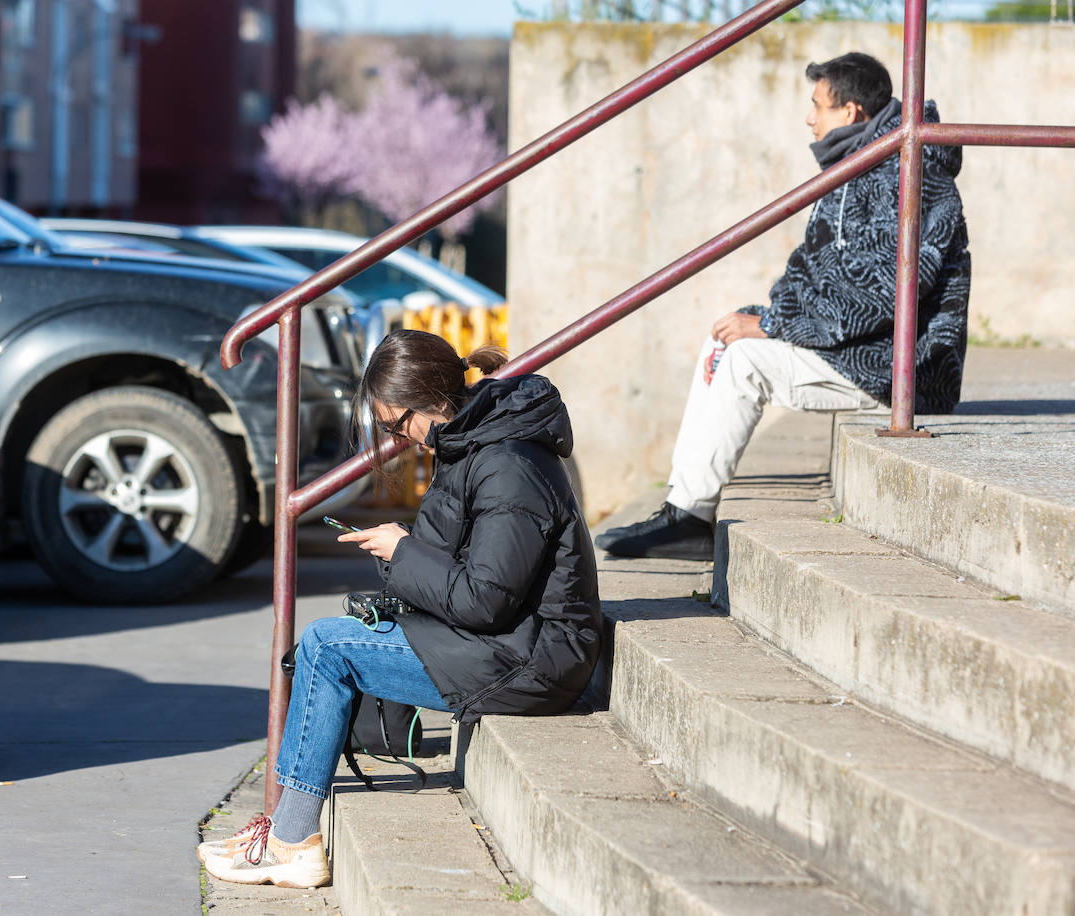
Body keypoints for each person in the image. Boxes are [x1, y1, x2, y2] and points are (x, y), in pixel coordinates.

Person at [199, 329, 602, 889]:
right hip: (509, 642)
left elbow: (484, 599)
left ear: (435, 397)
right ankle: (286, 827)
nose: (399, 438)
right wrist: (399, 549)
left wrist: (403, 551)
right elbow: (469, 569)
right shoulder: (470, 445)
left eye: (396, 423)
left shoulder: (508, 464)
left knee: (326, 647)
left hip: (533, 660)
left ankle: (291, 839)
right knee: (332, 639)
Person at [596, 51, 970, 561]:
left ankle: (689, 516)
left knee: (745, 359)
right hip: (862, 349)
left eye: (818, 105)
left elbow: (883, 295)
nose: (809, 117)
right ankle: (681, 508)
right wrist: (764, 316)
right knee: (725, 338)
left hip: (902, 367)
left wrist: (773, 325)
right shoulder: (862, 165)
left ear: (852, 112)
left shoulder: (900, 178)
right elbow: (815, 272)